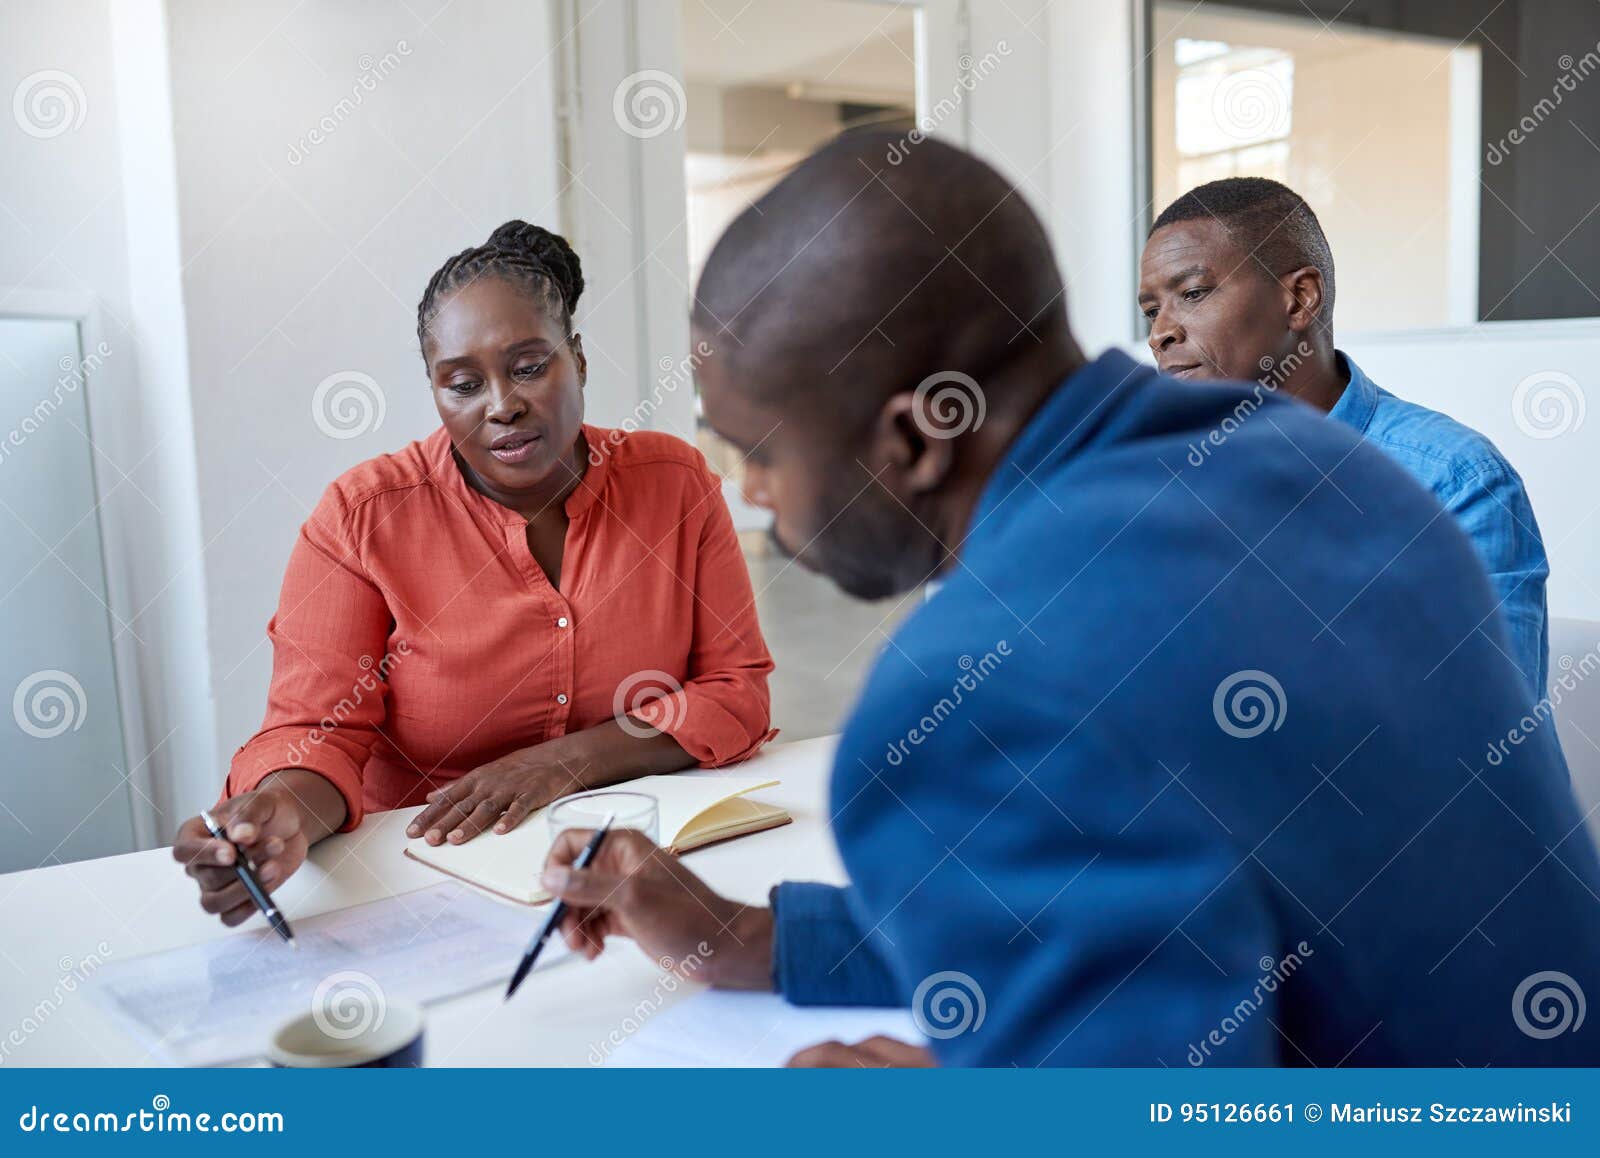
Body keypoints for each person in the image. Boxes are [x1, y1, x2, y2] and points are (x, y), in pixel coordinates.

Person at [537, 133, 1600, 1066]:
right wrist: (757, 940)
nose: (747, 492)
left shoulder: (977, 686)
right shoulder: (1343, 475)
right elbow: (1145, 887)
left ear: (911, 438)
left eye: (757, 448)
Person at [174, 221, 774, 926]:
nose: (501, 404)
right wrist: (280, 815)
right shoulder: (363, 517)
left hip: (640, 863)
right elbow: (319, 732)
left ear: (577, 360)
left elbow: (737, 693)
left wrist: (563, 765)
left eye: (528, 367)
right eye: (462, 383)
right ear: (435, 391)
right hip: (429, 882)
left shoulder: (672, 481)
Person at [1138, 177, 1549, 697]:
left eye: (1192, 294)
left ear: (1299, 298)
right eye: (1151, 311)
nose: (1160, 334)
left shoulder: (1452, 479)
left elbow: (1484, 733)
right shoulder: (1166, 485)